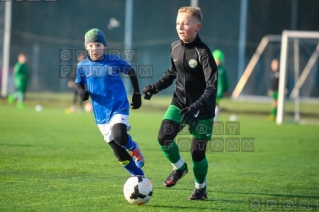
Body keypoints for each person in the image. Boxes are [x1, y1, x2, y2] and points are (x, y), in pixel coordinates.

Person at [142, 6, 217, 200]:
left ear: (198, 26)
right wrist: (154, 87)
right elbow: (173, 72)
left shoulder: (204, 53)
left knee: (197, 153)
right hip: (179, 103)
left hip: (202, 110)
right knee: (163, 138)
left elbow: (212, 87)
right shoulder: (175, 46)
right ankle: (179, 168)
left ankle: (200, 188)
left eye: (185, 23)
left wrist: (196, 107)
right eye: (177, 23)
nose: (180, 27)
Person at [75, 28, 145, 176]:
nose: (95, 48)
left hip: (118, 106)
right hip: (100, 112)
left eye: (98, 45)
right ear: (86, 47)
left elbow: (131, 71)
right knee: (117, 151)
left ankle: (133, 148)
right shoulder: (82, 66)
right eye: (91, 45)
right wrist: (82, 92)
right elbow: (79, 83)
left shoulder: (113, 60)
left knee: (119, 136)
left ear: (104, 46)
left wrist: (137, 94)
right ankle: (138, 175)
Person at [212, 49, 229, 121]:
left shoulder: (222, 70)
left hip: (218, 92)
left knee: (215, 105)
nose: (218, 62)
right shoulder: (210, 68)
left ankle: (214, 119)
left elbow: (225, 81)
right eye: (217, 60)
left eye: (219, 60)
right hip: (210, 91)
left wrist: (226, 90)